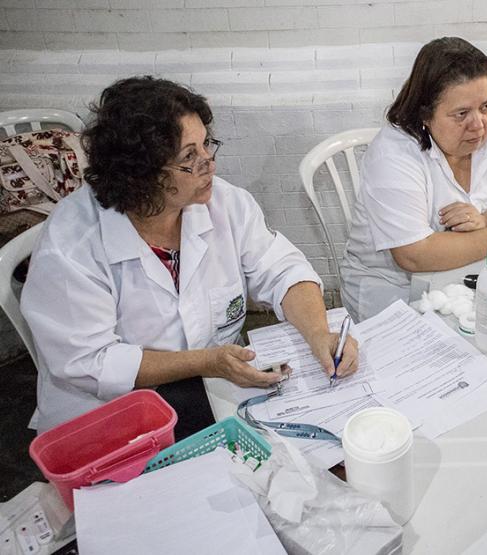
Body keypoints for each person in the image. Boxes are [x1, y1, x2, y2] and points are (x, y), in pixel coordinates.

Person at [22, 77, 358, 438]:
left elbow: (283, 269)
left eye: (206, 146)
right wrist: (207, 362)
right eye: (189, 157)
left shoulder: (224, 203)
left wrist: (319, 332)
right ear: (142, 175)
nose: (209, 164)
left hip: (204, 390)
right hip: (109, 415)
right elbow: (91, 363)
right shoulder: (72, 246)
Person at [341, 37, 487, 322]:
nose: (478, 124)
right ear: (425, 114)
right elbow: (414, 254)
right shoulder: (393, 156)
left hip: (464, 277)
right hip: (394, 294)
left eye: (486, 106)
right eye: (461, 114)